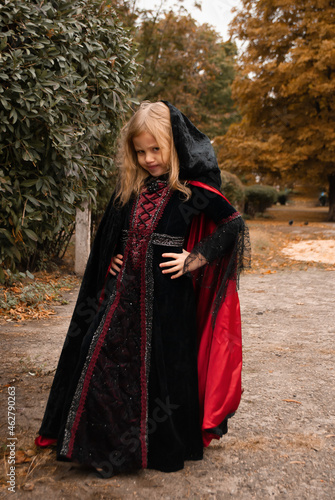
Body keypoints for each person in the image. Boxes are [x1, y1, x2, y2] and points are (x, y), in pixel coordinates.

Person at [35, 101, 250, 477]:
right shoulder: (130, 190)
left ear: (174, 145)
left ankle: (153, 447)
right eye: (140, 151)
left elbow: (233, 225)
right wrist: (111, 260)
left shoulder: (191, 192)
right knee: (97, 355)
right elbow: (114, 237)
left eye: (156, 149)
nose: (149, 158)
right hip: (121, 294)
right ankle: (99, 447)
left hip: (168, 301)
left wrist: (194, 258)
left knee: (158, 372)